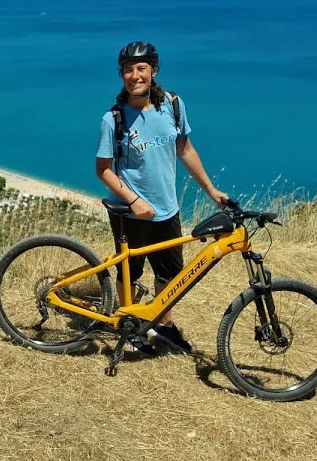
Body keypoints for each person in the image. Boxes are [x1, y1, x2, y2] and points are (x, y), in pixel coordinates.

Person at [95, 41, 228, 354]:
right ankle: (128, 324)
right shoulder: (113, 119)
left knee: (169, 275)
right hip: (131, 214)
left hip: (168, 209)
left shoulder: (173, 105)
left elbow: (185, 149)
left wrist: (211, 190)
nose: (134, 75)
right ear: (121, 74)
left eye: (141, 68)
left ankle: (163, 326)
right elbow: (103, 170)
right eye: (128, 69)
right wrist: (133, 200)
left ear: (153, 71)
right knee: (131, 272)